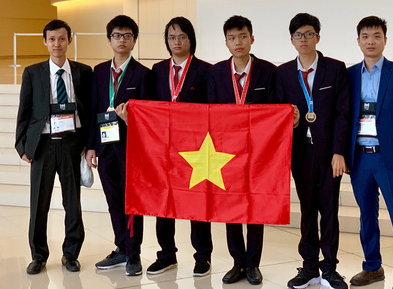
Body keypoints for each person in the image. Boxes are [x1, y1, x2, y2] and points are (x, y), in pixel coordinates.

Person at [276, 13, 350, 289]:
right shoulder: (283, 73)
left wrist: (339, 152)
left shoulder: (335, 69)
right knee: (307, 210)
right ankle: (308, 267)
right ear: (292, 40)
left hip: (330, 153)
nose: (303, 39)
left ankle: (329, 269)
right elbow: (277, 112)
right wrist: (292, 121)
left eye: (309, 34)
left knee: (329, 210)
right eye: (298, 35)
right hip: (300, 152)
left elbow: (343, 113)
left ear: (318, 37)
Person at [15, 19, 93, 275]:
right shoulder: (33, 73)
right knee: (39, 203)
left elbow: (90, 110)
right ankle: (38, 256)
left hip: (72, 144)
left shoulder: (83, 72)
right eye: (51, 39)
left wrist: (88, 143)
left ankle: (71, 254)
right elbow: (24, 111)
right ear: (45, 42)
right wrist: (22, 146)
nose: (57, 44)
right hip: (43, 146)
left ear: (69, 40)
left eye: (61, 39)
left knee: (73, 203)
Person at [347, 16, 393, 289]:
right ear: (358, 41)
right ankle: (372, 267)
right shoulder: (349, 75)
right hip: (360, 157)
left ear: (385, 40)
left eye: (376, 36)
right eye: (365, 36)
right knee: (366, 215)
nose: (371, 41)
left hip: (390, 158)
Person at [208, 15, 276, 286]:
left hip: (259, 153)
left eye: (243, 36)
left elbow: (275, 110)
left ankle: (253, 264)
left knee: (255, 207)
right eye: (232, 38)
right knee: (231, 208)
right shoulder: (216, 73)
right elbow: (209, 113)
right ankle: (238, 262)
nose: (238, 42)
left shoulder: (268, 71)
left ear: (252, 38)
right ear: (226, 42)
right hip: (226, 154)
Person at [146, 17, 214, 277]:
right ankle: (166, 255)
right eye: (172, 37)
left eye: (182, 37)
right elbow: (150, 107)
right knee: (164, 201)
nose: (177, 42)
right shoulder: (157, 70)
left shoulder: (206, 70)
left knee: (197, 203)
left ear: (191, 40)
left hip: (197, 148)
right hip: (164, 148)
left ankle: (203, 256)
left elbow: (213, 111)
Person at [86, 15, 149, 276]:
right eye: (116, 35)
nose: (121, 40)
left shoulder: (143, 74)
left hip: (131, 149)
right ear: (109, 39)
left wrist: (129, 119)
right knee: (113, 200)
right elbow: (93, 108)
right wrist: (90, 146)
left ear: (134, 40)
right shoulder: (99, 71)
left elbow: (149, 116)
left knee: (131, 202)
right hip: (104, 147)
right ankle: (121, 247)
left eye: (127, 35)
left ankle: (134, 253)